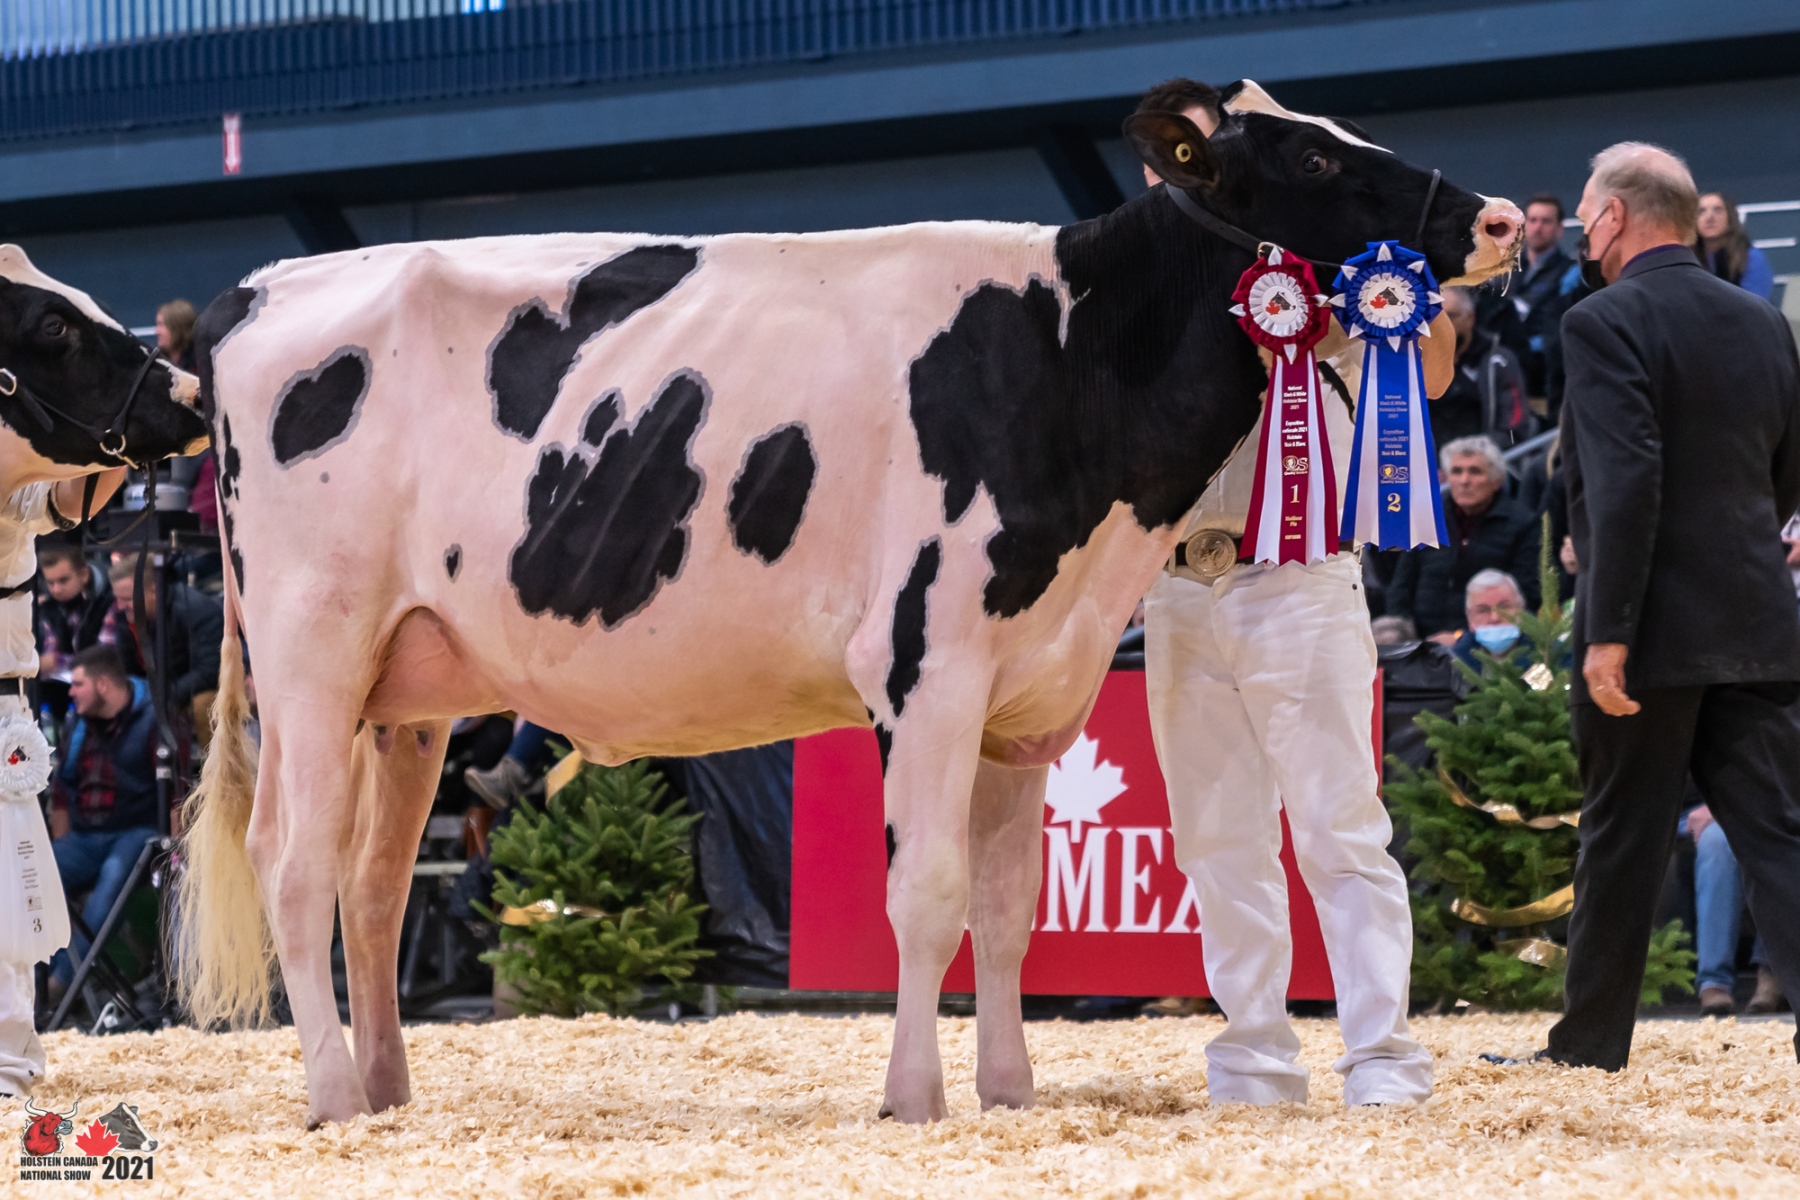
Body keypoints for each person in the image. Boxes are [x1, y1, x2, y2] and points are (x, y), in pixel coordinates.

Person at [1138, 76, 1438, 1108]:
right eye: (1173, 156)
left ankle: (1382, 1058)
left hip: (1299, 573)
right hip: (1177, 585)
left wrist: (1391, 275)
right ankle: (1253, 1061)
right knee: (1216, 838)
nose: (1188, 170)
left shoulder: (1319, 264)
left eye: (1210, 148)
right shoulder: (1138, 280)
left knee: (1338, 825)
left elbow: (1435, 372)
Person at [1527, 142, 1800, 1071]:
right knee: (1780, 836)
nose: (1582, 231)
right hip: (1757, 617)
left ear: (1613, 217)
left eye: (1586, 215)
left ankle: (1588, 1047)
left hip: (1647, 632)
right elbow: (1786, 472)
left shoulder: (1602, 319)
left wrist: (1608, 631)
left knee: (1620, 837)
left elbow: (1623, 482)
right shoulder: (1764, 320)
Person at [0, 468, 127, 1100]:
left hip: (2, 711)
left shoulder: (11, 487)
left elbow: (71, 501)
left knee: (5, 895)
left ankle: (6, 1064)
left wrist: (121, 441)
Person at [46, 646, 169, 998]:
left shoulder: (155, 717)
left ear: (102, 684)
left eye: (78, 684)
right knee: (34, 875)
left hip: (138, 831)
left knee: (113, 880)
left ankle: (60, 986)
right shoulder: (77, 723)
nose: (70, 692)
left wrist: (173, 857)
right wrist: (59, 848)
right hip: (86, 836)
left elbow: (175, 792)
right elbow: (62, 790)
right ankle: (33, 984)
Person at [1386, 436, 1542, 641]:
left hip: (1490, 640)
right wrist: (1407, 631)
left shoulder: (1523, 523)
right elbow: (1401, 586)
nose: (1464, 481)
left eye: (1475, 471)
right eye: (1457, 471)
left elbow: (1526, 594)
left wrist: (1462, 638)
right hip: (1422, 639)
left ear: (1497, 480)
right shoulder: (1427, 517)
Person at [109, 553, 223, 740]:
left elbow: (210, 671)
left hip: (193, 690)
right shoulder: (124, 617)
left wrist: (163, 697)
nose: (120, 606)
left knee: (203, 705)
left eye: (127, 599)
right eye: (118, 598)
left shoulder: (197, 610)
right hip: (155, 691)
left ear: (154, 591)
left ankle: (214, 758)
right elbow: (127, 669)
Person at [1431, 287, 1532, 448]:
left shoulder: (1499, 362)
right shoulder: (1413, 364)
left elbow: (1514, 427)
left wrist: (1475, 454)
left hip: (1485, 456)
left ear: (1470, 318)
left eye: (1449, 317)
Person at [34, 542, 124, 721]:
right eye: (50, 583)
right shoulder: (49, 607)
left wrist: (57, 661)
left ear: (84, 574)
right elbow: (51, 651)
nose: (56, 589)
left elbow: (106, 658)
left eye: (63, 580)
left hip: (104, 685)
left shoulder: (110, 599)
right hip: (65, 688)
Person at [1695, 193, 1774, 302]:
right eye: (1701, 211)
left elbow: (1755, 305)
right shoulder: (1687, 257)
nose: (1710, 217)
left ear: (1730, 218)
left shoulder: (1751, 257)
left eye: (1718, 210)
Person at [1449, 569, 1527, 671]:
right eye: (1483, 610)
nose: (1495, 618)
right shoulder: (1454, 664)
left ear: (1521, 609)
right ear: (1470, 618)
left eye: (1504, 607)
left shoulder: (1544, 654)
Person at [153, 299, 197, 372]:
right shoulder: (155, 363)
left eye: (161, 325)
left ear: (177, 328)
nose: (156, 332)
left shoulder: (200, 365)